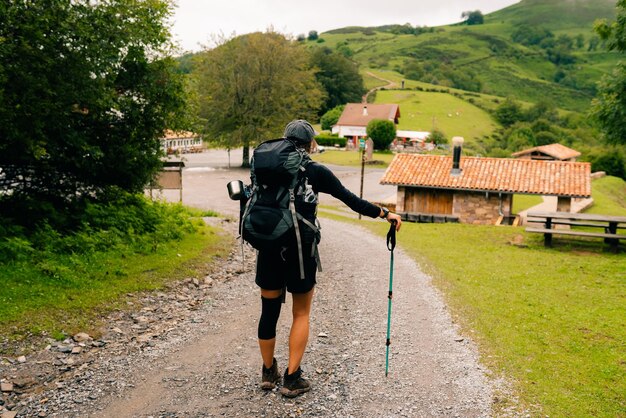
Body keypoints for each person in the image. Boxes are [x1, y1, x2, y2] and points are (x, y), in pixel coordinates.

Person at [255, 119, 402, 398]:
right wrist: (385, 214)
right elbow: (351, 200)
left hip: (269, 248)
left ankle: (267, 372)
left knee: (268, 311)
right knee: (300, 312)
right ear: (310, 144)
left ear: (285, 140)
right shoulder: (315, 171)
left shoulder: (264, 168)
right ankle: (291, 378)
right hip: (301, 250)